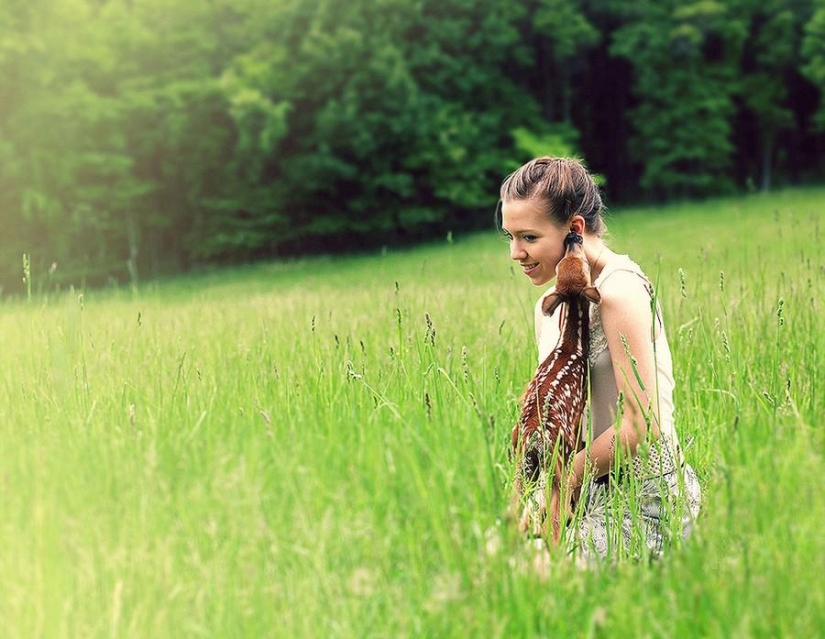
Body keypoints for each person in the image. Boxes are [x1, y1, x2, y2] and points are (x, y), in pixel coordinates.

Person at [499, 157, 701, 561]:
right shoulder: (548, 307)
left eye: (529, 237)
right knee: (493, 564)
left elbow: (641, 425)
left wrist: (566, 480)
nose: (515, 253)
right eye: (509, 236)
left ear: (574, 228)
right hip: (582, 487)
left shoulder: (620, 291)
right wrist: (536, 492)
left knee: (535, 574)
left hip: (645, 495)